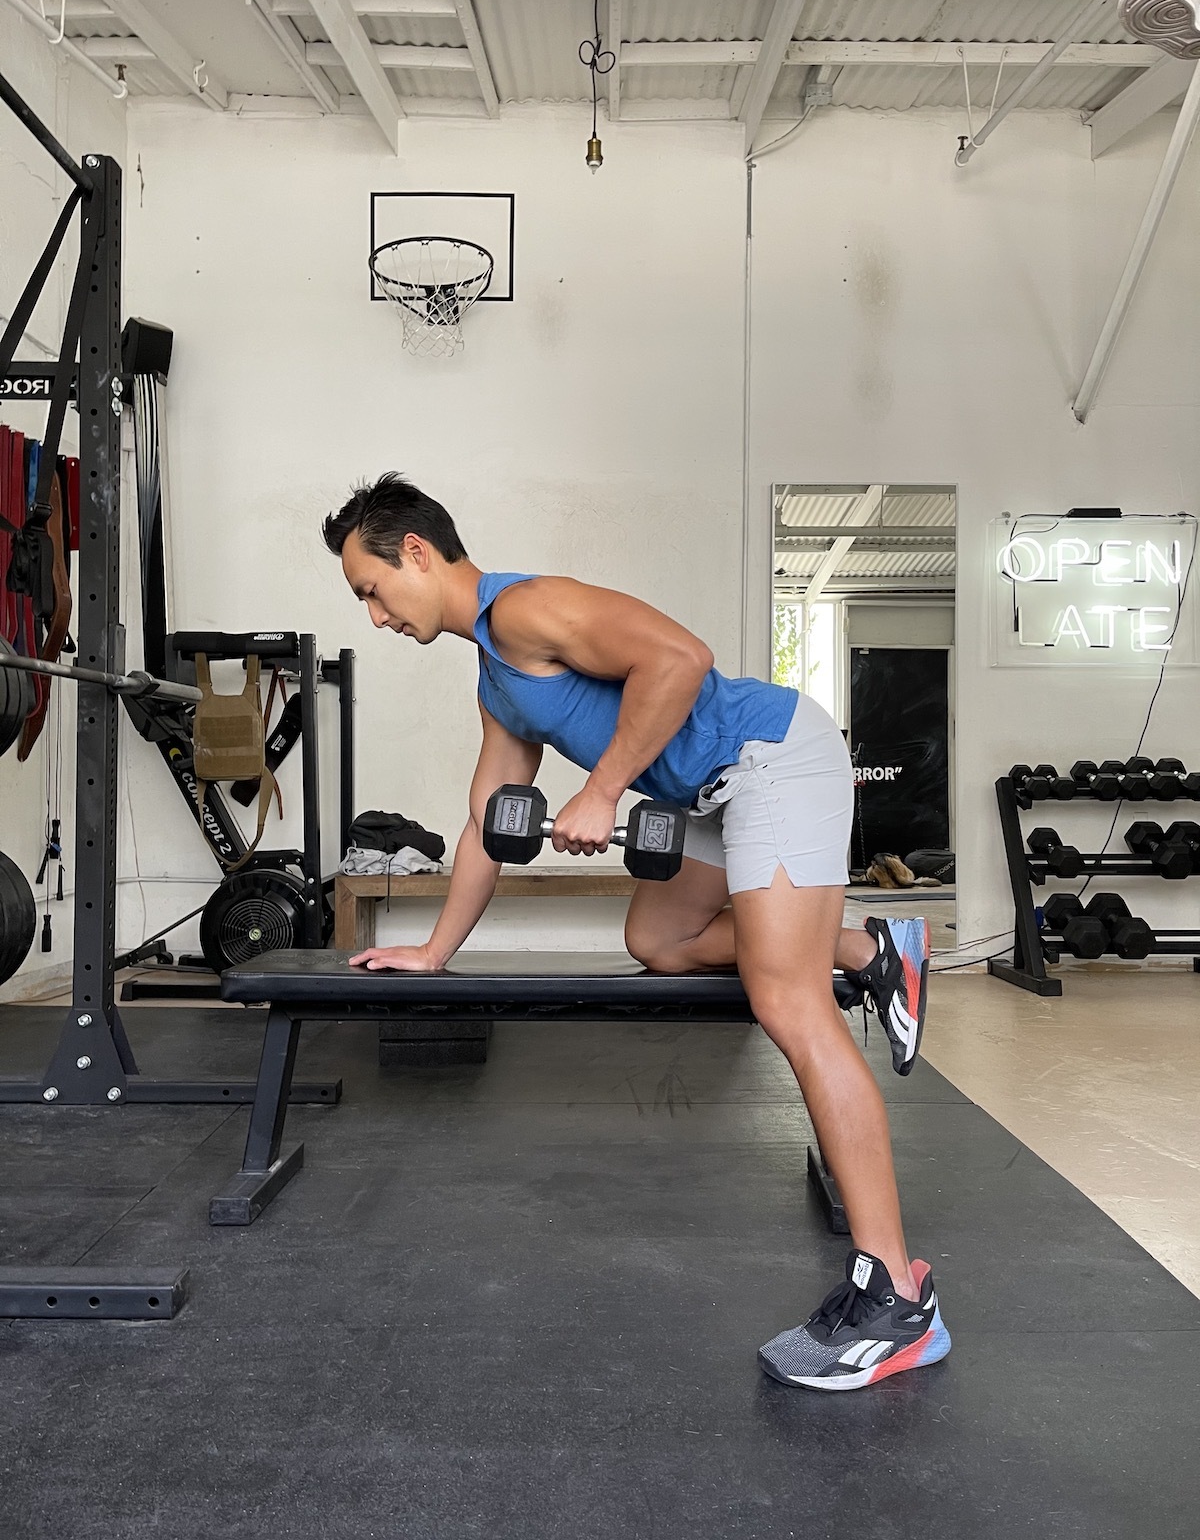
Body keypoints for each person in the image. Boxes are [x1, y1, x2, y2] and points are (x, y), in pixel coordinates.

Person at [322, 473, 951, 1392]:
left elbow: (681, 658)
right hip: (704, 791)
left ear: (414, 552)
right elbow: (488, 821)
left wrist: (603, 786)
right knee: (659, 937)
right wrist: (433, 950)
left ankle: (895, 1295)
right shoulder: (498, 678)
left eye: (371, 591)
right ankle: (872, 948)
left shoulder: (527, 609)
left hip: (769, 755)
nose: (374, 617)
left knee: (790, 1004)